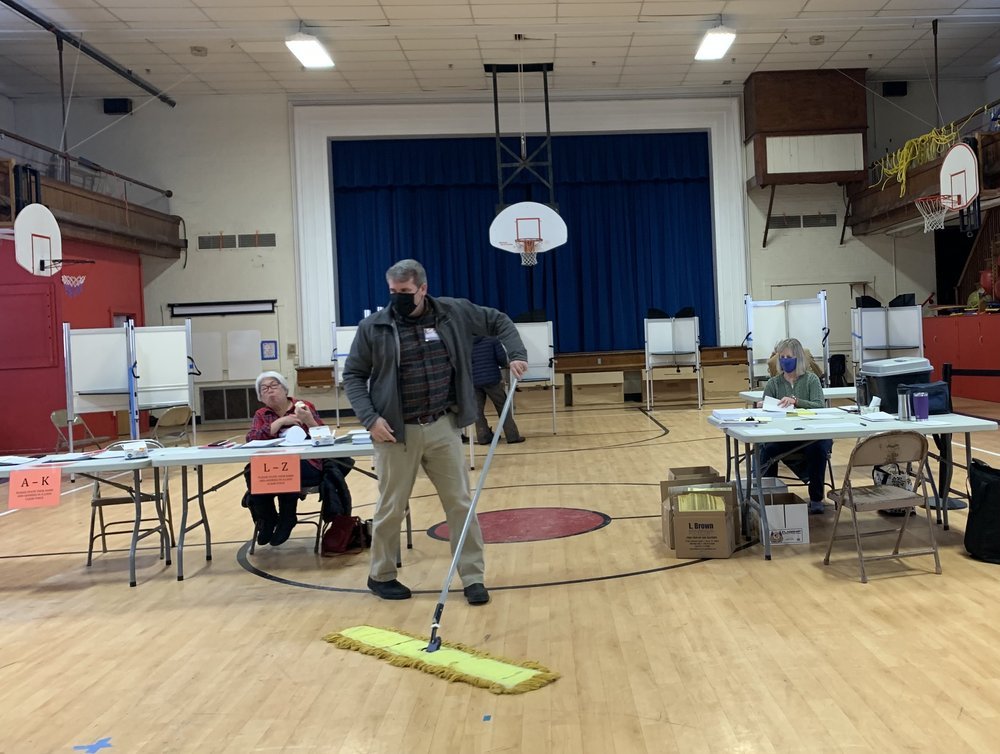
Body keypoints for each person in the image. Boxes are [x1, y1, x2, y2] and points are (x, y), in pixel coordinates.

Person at [343, 259, 528, 605]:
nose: (398, 298)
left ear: (423, 289)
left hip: (443, 426)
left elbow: (498, 320)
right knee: (391, 507)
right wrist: (370, 418)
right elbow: (353, 375)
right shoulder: (374, 327)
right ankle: (381, 574)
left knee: (460, 503)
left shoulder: (453, 313)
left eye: (406, 292)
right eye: (393, 292)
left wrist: (515, 353)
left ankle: (472, 576)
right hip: (394, 433)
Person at [242, 371, 323, 546]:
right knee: (252, 471)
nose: (269, 390)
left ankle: (287, 517)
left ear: (285, 389)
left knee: (287, 467)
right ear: (261, 397)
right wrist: (279, 423)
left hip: (306, 465)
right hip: (270, 467)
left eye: (273, 386)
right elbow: (251, 438)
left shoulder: (303, 406)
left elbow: (324, 436)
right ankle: (268, 518)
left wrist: (309, 421)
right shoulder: (262, 414)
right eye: (264, 389)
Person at [758, 337, 832, 515]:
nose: (784, 360)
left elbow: (819, 405)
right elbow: (765, 409)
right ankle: (767, 497)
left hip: (812, 434)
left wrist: (796, 401)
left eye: (788, 356)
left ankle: (816, 498)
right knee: (767, 450)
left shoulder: (811, 380)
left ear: (797, 358)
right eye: (781, 357)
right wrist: (764, 406)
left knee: (818, 449)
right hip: (785, 435)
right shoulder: (773, 383)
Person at [472, 335, 524, 445]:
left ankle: (483, 436)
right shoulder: (492, 339)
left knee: (477, 410)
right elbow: (501, 359)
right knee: (502, 406)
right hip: (492, 379)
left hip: (474, 380)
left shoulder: (465, 341)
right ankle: (512, 436)